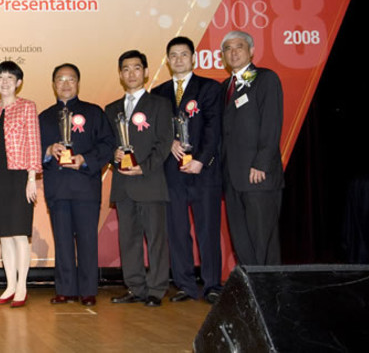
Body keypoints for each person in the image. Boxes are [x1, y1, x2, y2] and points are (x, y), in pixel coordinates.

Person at [151, 37, 224, 304]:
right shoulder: (158, 93)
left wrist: (201, 160)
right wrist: (168, 141)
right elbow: (155, 131)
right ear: (168, 60)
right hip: (172, 173)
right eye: (173, 55)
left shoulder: (209, 88)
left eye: (184, 54)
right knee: (177, 230)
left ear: (193, 58)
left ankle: (213, 285)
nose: (179, 59)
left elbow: (213, 128)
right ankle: (184, 284)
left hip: (204, 172)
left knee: (207, 230)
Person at [39, 63, 115, 307]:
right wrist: (48, 151)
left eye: (70, 79)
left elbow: (107, 145)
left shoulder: (94, 113)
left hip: (85, 187)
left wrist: (85, 160)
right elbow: (34, 150)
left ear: (78, 83)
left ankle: (88, 290)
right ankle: (65, 290)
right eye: (60, 79)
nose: (65, 84)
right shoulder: (44, 117)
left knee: (87, 241)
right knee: (62, 241)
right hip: (58, 188)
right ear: (53, 85)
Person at [104, 50, 172, 307]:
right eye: (125, 69)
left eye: (136, 68)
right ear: (120, 75)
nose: (131, 73)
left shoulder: (160, 105)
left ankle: (156, 289)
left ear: (144, 71)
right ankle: (135, 287)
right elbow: (107, 145)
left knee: (155, 238)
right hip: (123, 185)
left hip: (150, 181)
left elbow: (164, 142)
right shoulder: (111, 109)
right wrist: (114, 155)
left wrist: (143, 167)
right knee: (128, 240)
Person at [0, 61, 42, 308]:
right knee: (4, 235)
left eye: (9, 78)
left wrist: (31, 178)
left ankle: (22, 287)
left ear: (18, 82)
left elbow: (34, 143)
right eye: (0, 78)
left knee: (19, 234)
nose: (4, 82)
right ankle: (9, 286)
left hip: (18, 176)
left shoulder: (27, 107)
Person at [220, 30, 284, 266]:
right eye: (228, 49)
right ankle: (251, 295)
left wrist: (261, 163)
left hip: (258, 176)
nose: (233, 52)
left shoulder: (265, 79)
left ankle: (269, 297)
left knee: (263, 243)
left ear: (251, 51)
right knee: (242, 243)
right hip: (233, 178)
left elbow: (272, 123)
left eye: (239, 47)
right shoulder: (225, 86)